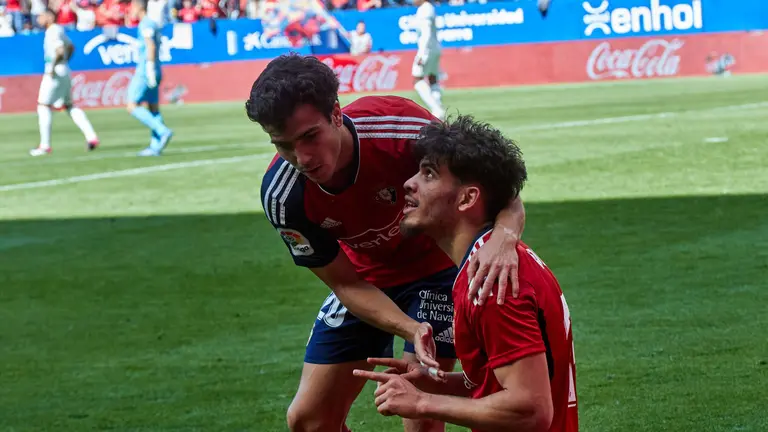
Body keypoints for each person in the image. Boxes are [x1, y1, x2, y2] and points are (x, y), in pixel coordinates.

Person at [247, 54, 526, 432]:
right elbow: (344, 283)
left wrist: (504, 237)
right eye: (283, 145)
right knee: (308, 421)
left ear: (335, 113)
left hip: (438, 271)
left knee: (420, 414)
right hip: (366, 279)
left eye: (310, 136)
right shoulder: (283, 195)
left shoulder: (403, 130)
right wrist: (408, 327)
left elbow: (500, 185)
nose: (302, 158)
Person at [354, 115, 579, 432]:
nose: (409, 183)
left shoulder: (491, 282)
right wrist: (436, 383)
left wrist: (421, 403)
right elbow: (500, 385)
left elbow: (531, 410)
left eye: (429, 174)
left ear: (468, 198)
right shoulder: (494, 261)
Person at [30, 8, 99, 157]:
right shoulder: (58, 30)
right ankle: (91, 137)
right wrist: (65, 62)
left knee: (43, 106)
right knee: (69, 106)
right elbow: (71, 47)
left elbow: (60, 50)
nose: (38, 19)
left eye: (41, 16)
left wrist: (54, 66)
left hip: (54, 71)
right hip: (65, 70)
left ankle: (45, 145)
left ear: (49, 17)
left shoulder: (52, 31)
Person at [127, 0, 173, 157]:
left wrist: (149, 68)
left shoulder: (146, 24)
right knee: (153, 108)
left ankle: (162, 130)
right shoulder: (152, 24)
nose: (130, 9)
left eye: (132, 6)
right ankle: (155, 146)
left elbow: (150, 46)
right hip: (156, 68)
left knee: (132, 106)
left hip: (146, 70)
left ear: (139, 7)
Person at [411, 0, 444, 120]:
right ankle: (439, 108)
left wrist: (422, 54)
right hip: (435, 48)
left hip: (427, 50)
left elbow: (427, 33)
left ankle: (437, 110)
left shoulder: (425, 9)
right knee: (432, 78)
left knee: (417, 79)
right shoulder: (428, 8)